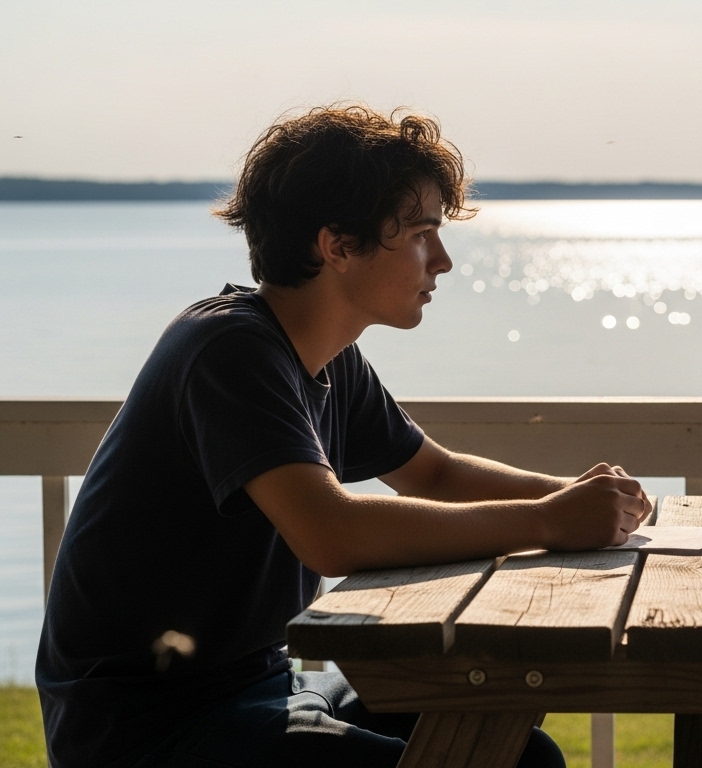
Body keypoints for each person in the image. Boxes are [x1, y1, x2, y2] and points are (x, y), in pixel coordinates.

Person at [36, 105, 651, 767]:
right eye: (420, 234)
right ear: (338, 246)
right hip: (147, 727)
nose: (442, 261)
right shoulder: (228, 349)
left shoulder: (328, 359)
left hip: (262, 685)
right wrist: (549, 522)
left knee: (519, 753)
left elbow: (434, 475)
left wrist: (589, 501)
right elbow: (332, 533)